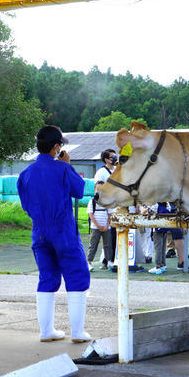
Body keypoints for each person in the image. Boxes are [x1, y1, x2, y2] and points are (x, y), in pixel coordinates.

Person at [17, 125, 91, 343]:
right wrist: (67, 166)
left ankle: (46, 331)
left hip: (39, 231)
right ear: (57, 147)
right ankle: (77, 332)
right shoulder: (62, 168)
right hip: (64, 231)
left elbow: (25, 204)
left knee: (47, 278)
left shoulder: (25, 173)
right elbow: (79, 191)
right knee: (77, 276)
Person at [148, 203, 189, 274]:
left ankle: (158, 265)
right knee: (162, 248)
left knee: (158, 248)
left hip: (158, 228)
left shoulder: (156, 205)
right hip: (165, 227)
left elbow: (150, 211)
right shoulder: (167, 206)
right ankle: (163, 264)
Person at [94, 149, 117, 268]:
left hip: (119, 204)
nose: (115, 158)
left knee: (116, 234)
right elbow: (98, 188)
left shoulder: (119, 170)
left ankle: (112, 259)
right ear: (106, 159)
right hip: (107, 206)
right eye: (112, 156)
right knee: (107, 235)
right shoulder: (101, 172)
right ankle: (106, 259)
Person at [86, 182, 114, 271]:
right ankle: (89, 262)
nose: (99, 191)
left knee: (108, 244)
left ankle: (109, 261)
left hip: (106, 227)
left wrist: (107, 225)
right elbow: (91, 215)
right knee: (93, 245)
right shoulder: (92, 202)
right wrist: (98, 225)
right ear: (94, 190)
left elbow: (110, 214)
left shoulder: (108, 201)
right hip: (95, 227)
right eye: (98, 189)